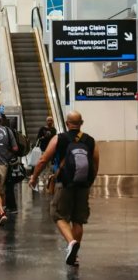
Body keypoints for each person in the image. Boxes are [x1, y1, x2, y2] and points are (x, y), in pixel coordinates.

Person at [29, 111, 99, 266]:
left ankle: (71, 243)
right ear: (81, 123)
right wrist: (89, 183)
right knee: (78, 220)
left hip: (64, 183)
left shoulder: (59, 138)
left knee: (57, 214)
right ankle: (75, 255)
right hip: (83, 184)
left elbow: (43, 160)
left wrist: (34, 177)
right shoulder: (90, 141)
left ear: (67, 123)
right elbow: (95, 164)